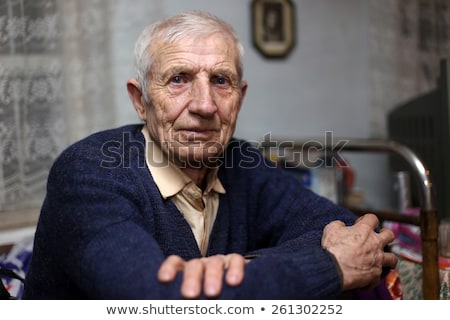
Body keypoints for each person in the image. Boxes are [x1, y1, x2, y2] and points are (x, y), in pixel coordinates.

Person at [22, 10, 397, 299]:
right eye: (178, 79)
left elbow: (362, 236)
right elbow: (157, 302)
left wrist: (244, 266)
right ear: (141, 100)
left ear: (240, 98)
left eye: (220, 81)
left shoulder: (242, 163)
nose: (204, 105)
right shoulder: (88, 170)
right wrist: (328, 266)